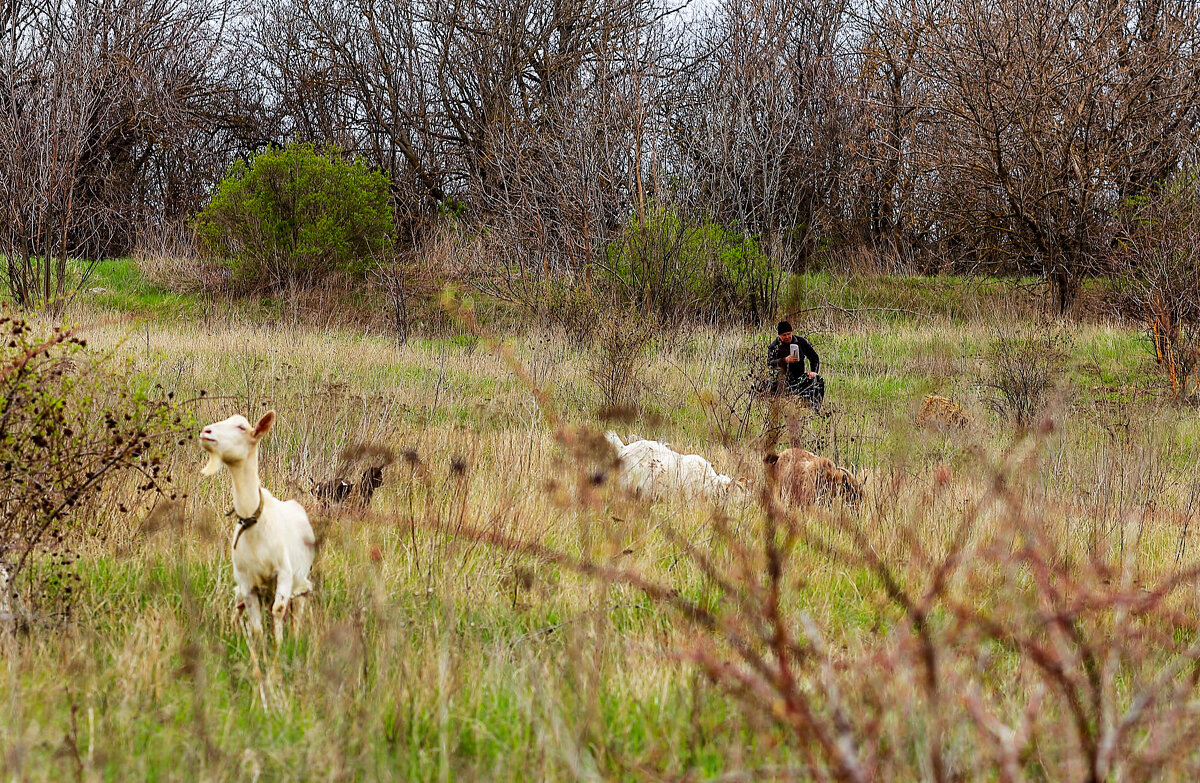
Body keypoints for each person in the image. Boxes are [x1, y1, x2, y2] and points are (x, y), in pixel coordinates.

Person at [765, 320, 825, 409]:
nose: (787, 337)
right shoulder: (774, 346)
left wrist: (813, 371)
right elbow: (770, 364)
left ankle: (813, 409)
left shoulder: (800, 341)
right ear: (779, 336)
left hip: (799, 378)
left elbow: (814, 357)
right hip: (781, 381)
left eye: (789, 334)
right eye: (784, 335)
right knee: (768, 385)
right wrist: (784, 360)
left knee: (818, 380)